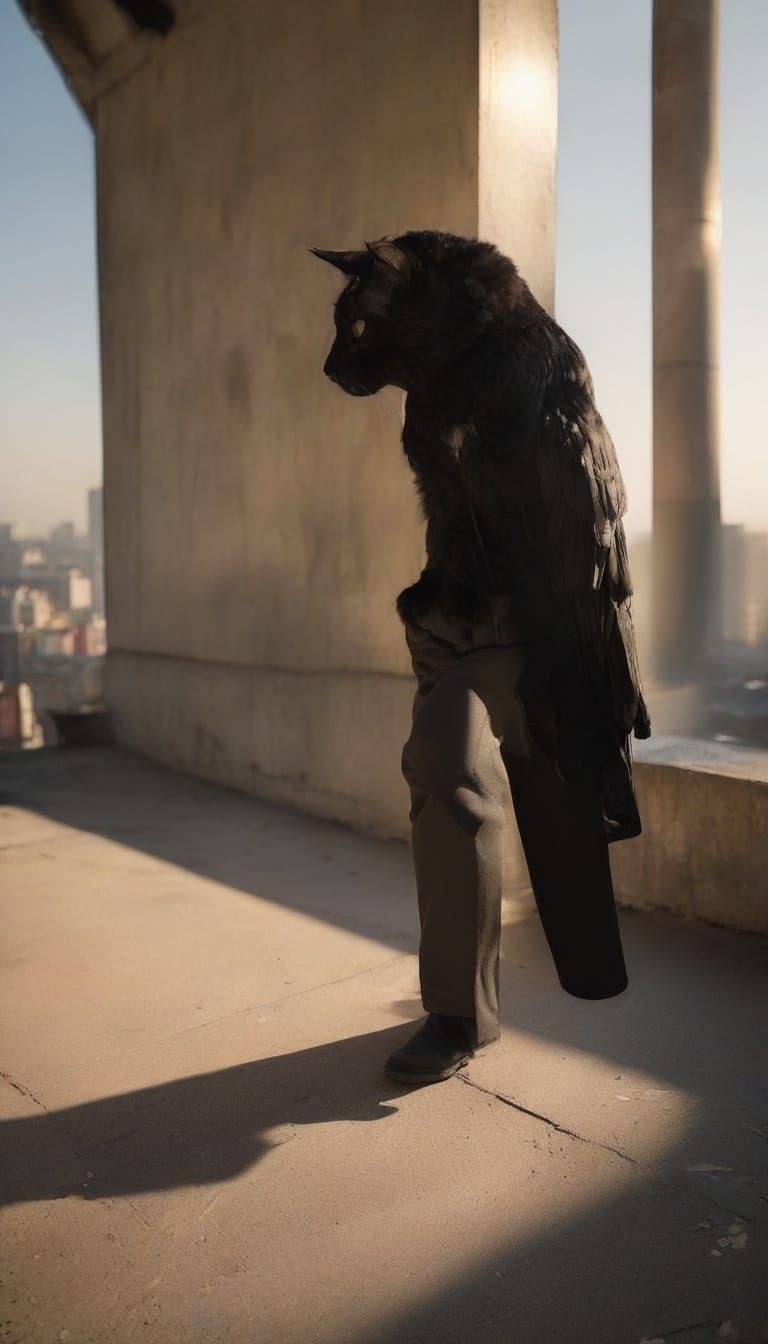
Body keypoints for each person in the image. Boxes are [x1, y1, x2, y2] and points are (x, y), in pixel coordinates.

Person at [311, 231, 651, 1085]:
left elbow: (590, 519)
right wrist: (436, 601)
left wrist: (577, 655)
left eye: (362, 328)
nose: (348, 356)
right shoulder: (429, 386)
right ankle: (456, 1014)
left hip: (552, 629)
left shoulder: (536, 356)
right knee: (440, 767)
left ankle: (588, 974)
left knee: (563, 806)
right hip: (460, 624)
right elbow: (447, 505)